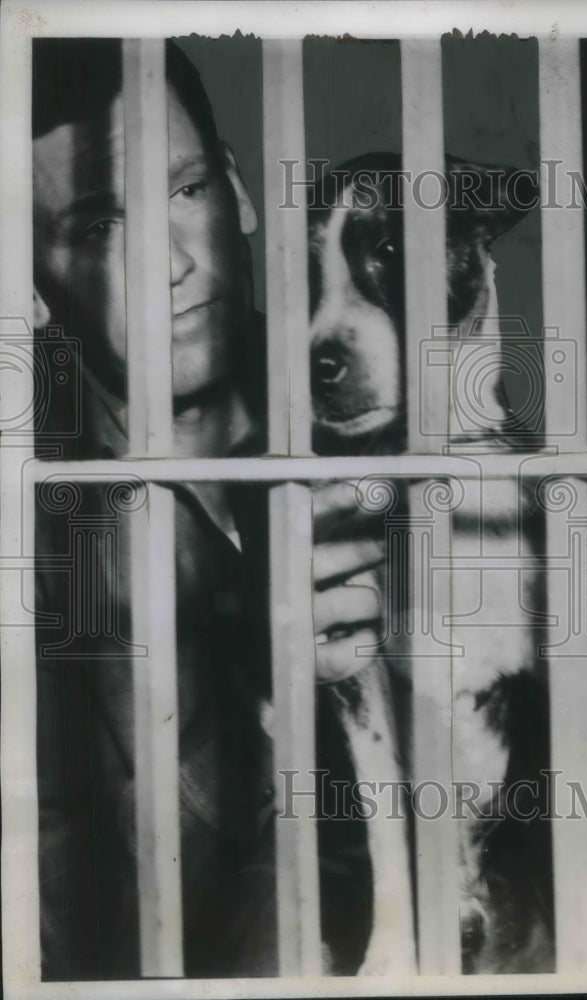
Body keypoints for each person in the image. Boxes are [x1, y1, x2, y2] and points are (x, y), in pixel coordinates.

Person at [32, 37, 380, 979]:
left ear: (240, 190)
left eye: (187, 191)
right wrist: (271, 696)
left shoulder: (394, 412)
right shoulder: (32, 515)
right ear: (37, 274)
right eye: (101, 226)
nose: (172, 263)